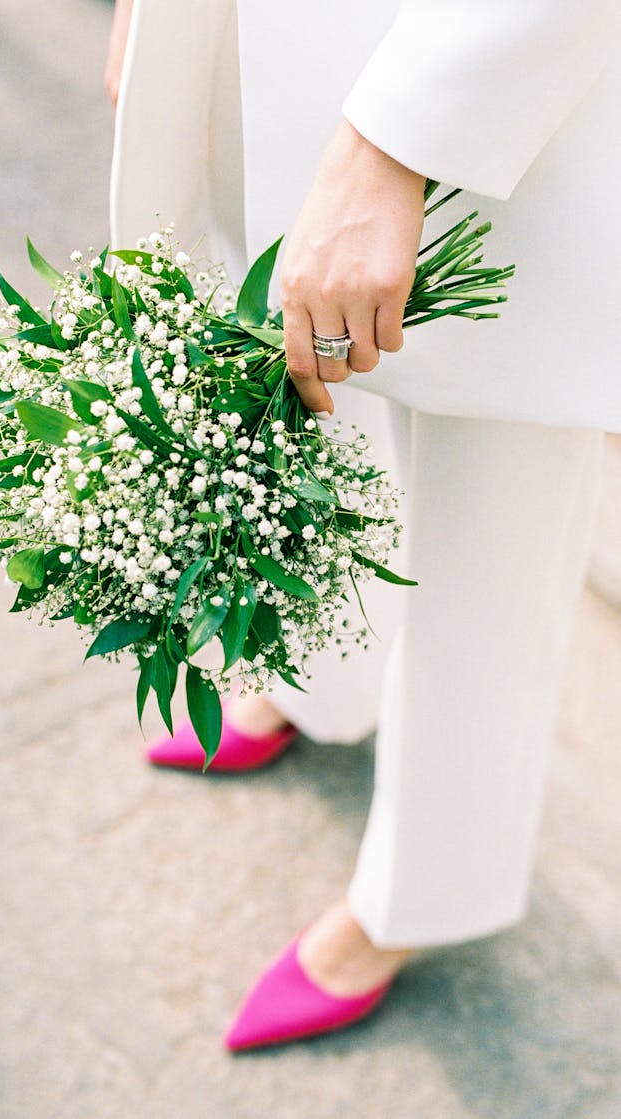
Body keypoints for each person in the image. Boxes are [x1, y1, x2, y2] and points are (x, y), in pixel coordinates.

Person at [106, 0, 621, 1050]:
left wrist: (404, 132)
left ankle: (419, 896)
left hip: (503, 62)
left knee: (495, 512)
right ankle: (320, 680)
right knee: (302, 375)